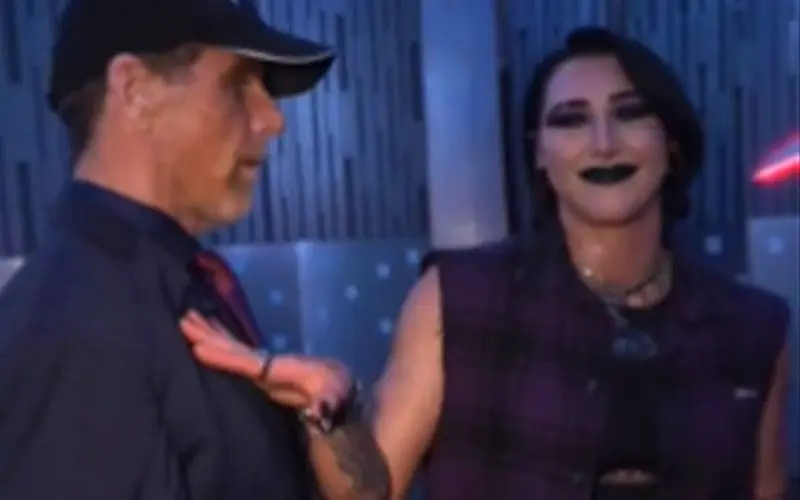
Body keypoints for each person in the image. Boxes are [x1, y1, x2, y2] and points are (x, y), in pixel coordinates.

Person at [179, 27, 792, 500]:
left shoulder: (754, 326)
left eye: (630, 113)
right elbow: (370, 491)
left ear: (672, 142)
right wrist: (329, 410)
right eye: (570, 120)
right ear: (540, 154)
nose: (603, 143)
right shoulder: (459, 297)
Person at [0, 0, 390, 498]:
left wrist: (334, 411)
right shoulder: (72, 333)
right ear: (136, 91)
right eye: (238, 84)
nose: (273, 119)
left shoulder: (184, 283)